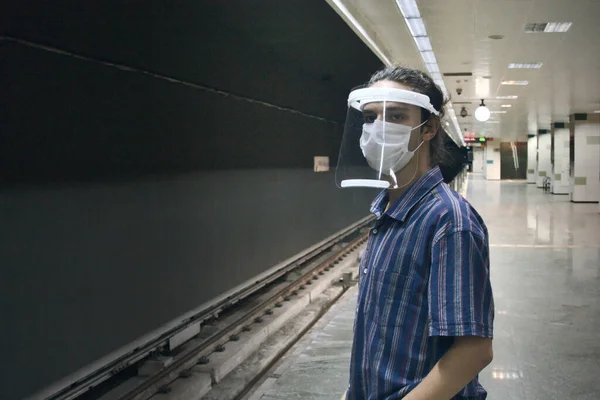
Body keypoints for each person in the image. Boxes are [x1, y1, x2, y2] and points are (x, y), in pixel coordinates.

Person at [336, 66, 495, 399]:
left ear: (429, 128)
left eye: (395, 116)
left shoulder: (449, 221)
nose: (378, 129)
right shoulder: (387, 213)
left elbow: (474, 351)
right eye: (369, 118)